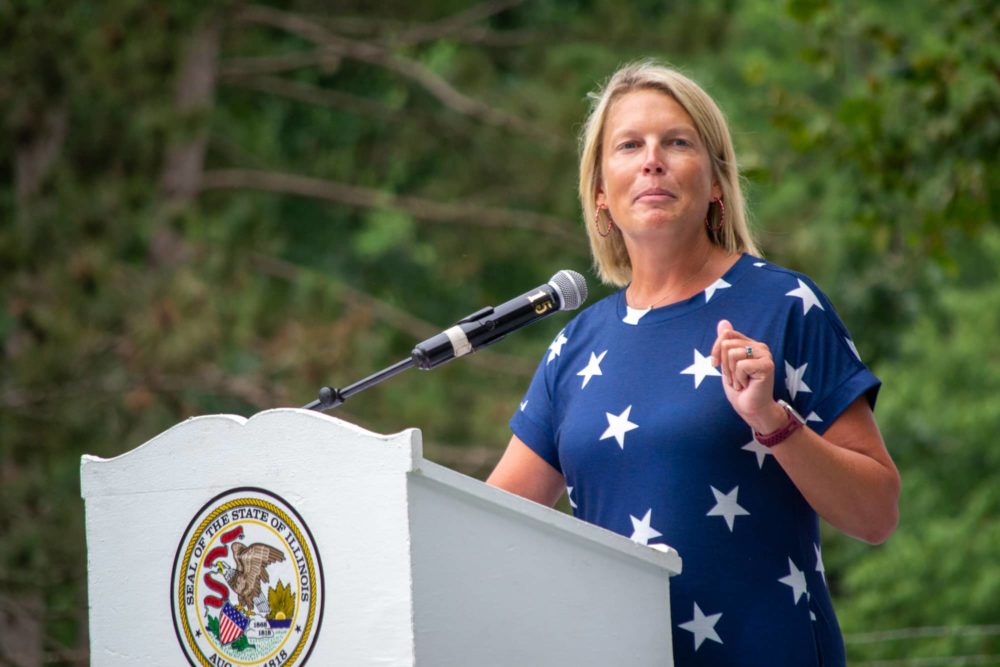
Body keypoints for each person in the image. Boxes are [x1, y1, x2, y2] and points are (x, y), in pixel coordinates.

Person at [486, 60, 900, 666]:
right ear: (601, 192)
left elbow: (877, 514)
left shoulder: (783, 305)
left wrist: (772, 421)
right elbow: (490, 525)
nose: (652, 159)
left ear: (714, 183)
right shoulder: (574, 344)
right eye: (629, 145)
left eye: (676, 142)